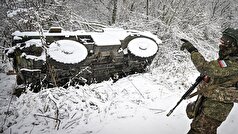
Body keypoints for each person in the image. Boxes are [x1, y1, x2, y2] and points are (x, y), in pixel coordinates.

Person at [180, 27, 238, 134]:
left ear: (234, 45)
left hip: (215, 110)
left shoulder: (233, 64)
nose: (222, 43)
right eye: (222, 40)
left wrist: (193, 50)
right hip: (209, 104)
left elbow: (205, 67)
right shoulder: (228, 60)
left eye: (226, 41)